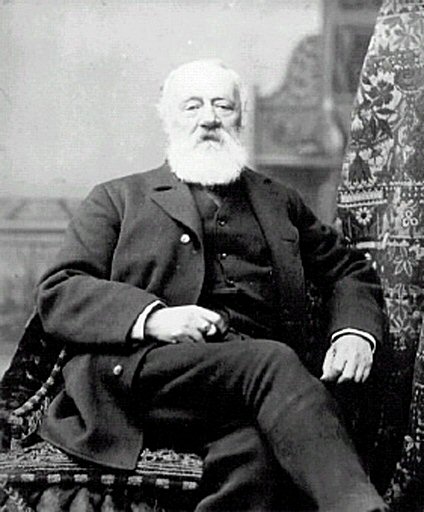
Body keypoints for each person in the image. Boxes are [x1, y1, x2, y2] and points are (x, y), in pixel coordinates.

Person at [36, 59, 387, 512]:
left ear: (241, 117)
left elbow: (347, 269)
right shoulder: (118, 197)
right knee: (273, 359)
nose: (209, 119)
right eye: (192, 106)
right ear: (167, 117)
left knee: (254, 455)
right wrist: (153, 318)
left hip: (242, 391)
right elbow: (60, 289)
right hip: (145, 373)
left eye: (223, 105)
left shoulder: (278, 199)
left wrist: (355, 333)